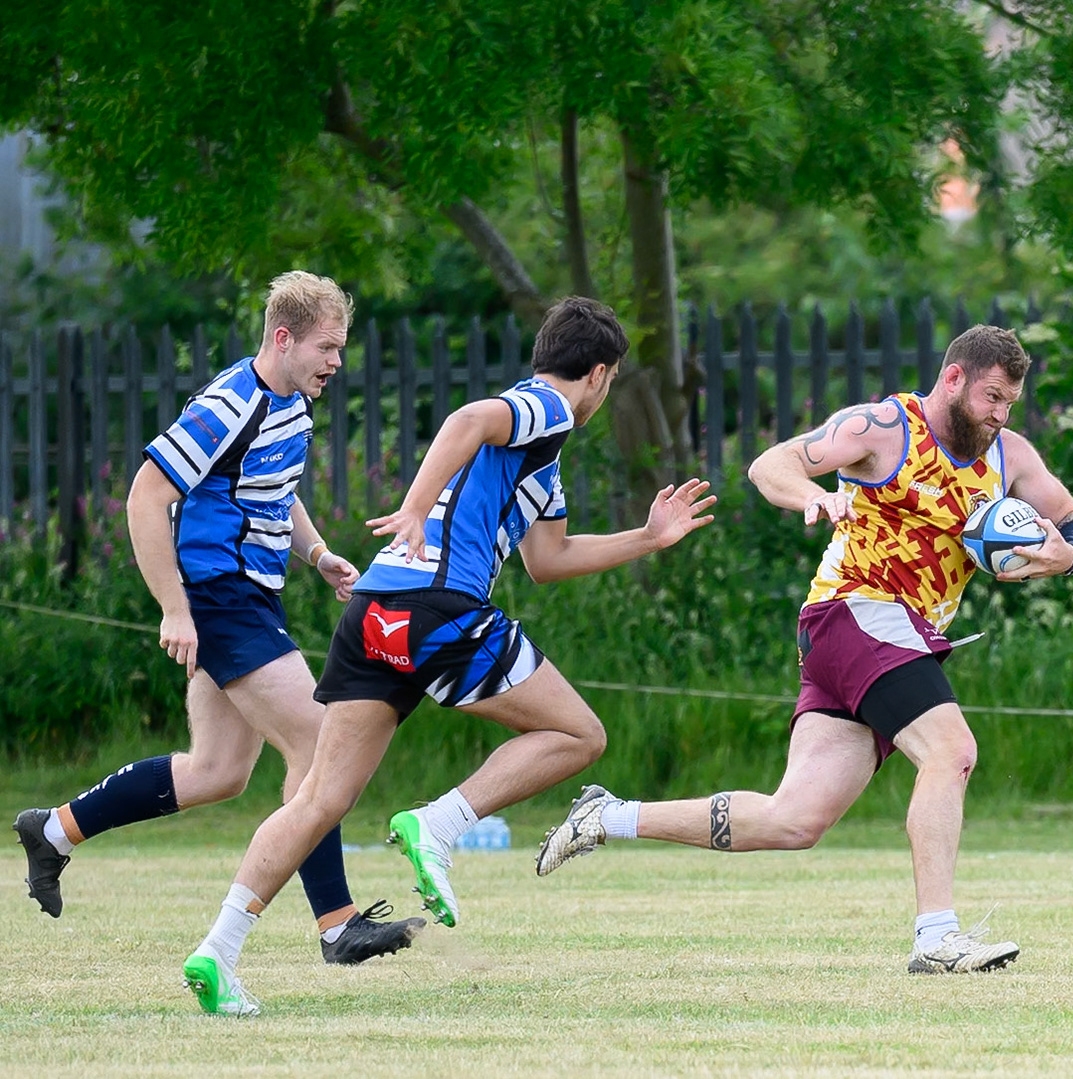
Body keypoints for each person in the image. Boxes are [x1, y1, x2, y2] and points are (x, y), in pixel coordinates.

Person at [178, 296, 716, 1015]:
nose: (605, 392)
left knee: (318, 799)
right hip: (437, 605)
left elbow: (549, 559)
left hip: (375, 609)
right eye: (610, 380)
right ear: (597, 374)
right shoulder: (547, 407)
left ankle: (217, 950)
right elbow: (467, 420)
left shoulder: (538, 454)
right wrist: (414, 506)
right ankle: (438, 823)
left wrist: (646, 538)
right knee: (579, 734)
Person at [533, 325, 1073, 975]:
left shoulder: (1009, 455)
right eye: (992, 397)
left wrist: (1064, 555)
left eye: (1010, 403)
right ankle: (937, 937)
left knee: (795, 819)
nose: (1000, 415)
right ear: (953, 380)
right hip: (855, 611)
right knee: (951, 751)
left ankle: (608, 816)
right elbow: (770, 464)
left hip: (889, 637)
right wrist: (815, 496)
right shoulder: (884, 428)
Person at [12, 270, 424, 964]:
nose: (336, 361)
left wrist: (317, 553)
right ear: (283, 338)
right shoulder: (230, 402)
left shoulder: (294, 403)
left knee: (217, 771)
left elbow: (274, 488)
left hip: (249, 596)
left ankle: (52, 831)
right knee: (318, 741)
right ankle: (337, 924)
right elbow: (146, 496)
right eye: (326, 347)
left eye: (341, 348)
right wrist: (175, 609)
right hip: (219, 596)